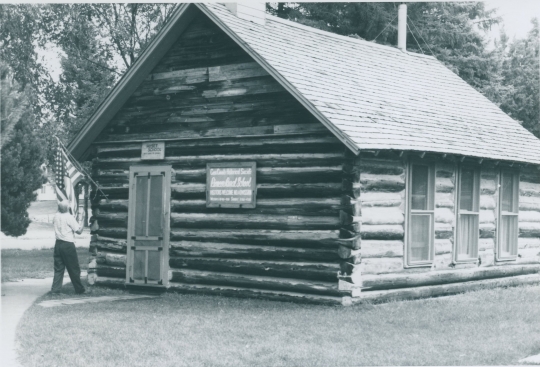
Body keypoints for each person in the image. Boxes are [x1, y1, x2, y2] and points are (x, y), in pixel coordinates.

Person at [50, 201, 86, 294]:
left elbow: (58, 212)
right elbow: (79, 231)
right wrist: (82, 220)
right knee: (74, 268)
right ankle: (79, 289)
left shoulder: (56, 216)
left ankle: (55, 290)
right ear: (68, 208)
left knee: (58, 268)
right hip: (68, 245)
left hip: (58, 244)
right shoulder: (69, 217)